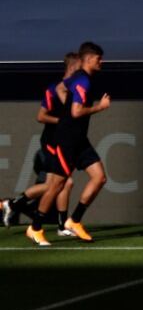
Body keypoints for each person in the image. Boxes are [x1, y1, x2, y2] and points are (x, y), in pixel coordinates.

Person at [27, 42, 110, 246]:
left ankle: (74, 220)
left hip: (79, 138)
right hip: (67, 140)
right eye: (99, 58)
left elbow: (60, 88)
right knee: (57, 185)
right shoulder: (84, 81)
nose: (102, 62)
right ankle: (35, 227)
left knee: (99, 178)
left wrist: (66, 111)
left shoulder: (78, 78)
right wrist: (99, 107)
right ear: (89, 59)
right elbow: (76, 112)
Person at [3, 53, 79, 231]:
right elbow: (41, 116)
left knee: (63, 184)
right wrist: (62, 122)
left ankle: (14, 205)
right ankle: (14, 205)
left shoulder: (74, 91)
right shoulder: (54, 89)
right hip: (51, 144)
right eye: (80, 68)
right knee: (63, 183)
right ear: (72, 67)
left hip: (63, 144)